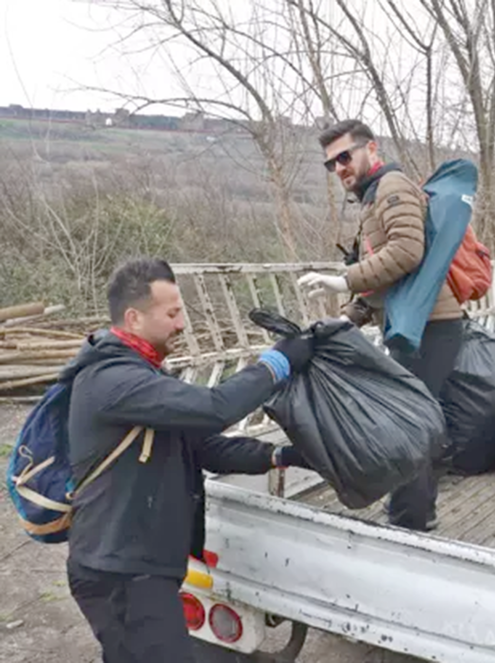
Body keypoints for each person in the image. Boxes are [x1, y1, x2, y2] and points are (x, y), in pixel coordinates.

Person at [65, 258, 315, 663]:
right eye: (172, 313)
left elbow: (205, 446)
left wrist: (284, 455)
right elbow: (215, 407)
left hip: (139, 564)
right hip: (120, 571)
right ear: (134, 318)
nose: (181, 323)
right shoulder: (112, 380)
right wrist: (277, 363)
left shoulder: (144, 376)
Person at [298, 119, 463, 532]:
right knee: (413, 418)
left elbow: (406, 253)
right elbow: (389, 280)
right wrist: (348, 316)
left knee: (412, 421)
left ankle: (411, 519)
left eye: (344, 156)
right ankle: (411, 512)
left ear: (370, 149)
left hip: (430, 326)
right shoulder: (373, 197)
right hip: (415, 323)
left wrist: (343, 280)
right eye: (331, 163)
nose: (339, 168)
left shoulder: (392, 189)